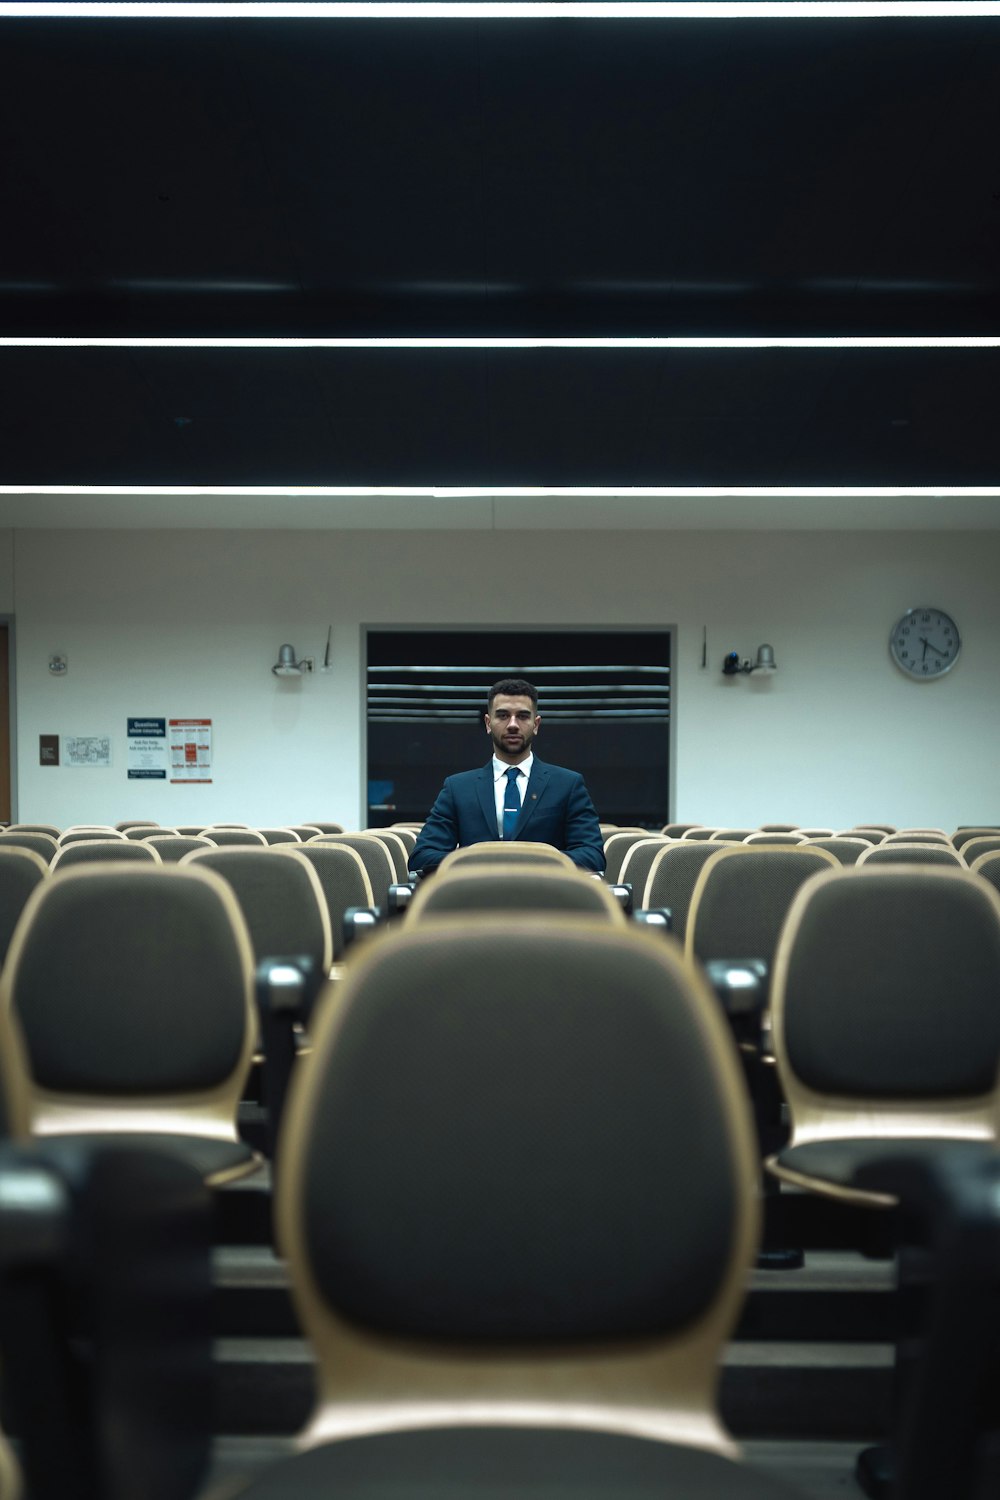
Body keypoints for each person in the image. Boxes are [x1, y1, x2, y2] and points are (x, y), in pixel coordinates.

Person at [408, 677, 606, 876]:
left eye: (522, 716)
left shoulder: (567, 785)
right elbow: (422, 857)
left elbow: (592, 855)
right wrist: (478, 860)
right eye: (503, 716)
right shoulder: (458, 788)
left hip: (547, 899)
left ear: (536, 724)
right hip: (475, 900)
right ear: (488, 723)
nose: (513, 724)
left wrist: (532, 864)